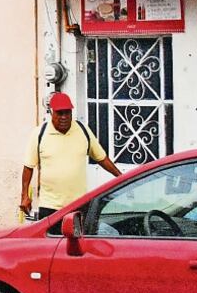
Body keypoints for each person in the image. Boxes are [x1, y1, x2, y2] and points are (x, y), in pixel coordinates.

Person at [20, 92, 122, 220]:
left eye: (67, 112)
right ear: (52, 112)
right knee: (52, 240)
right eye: (60, 113)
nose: (64, 117)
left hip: (78, 205)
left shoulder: (83, 131)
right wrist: (24, 196)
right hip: (50, 206)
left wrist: (122, 178)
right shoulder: (39, 134)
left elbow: (102, 158)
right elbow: (28, 167)